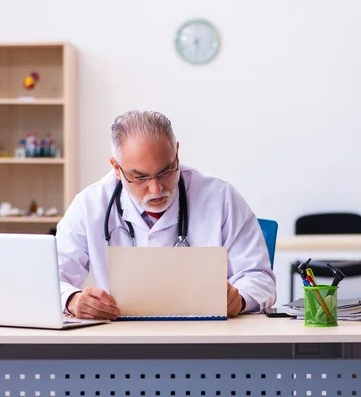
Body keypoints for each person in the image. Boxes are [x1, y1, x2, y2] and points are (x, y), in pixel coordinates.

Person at [56, 110, 276, 320]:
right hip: (120, 341)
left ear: (177, 154)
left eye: (165, 171)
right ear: (116, 167)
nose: (156, 189)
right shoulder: (89, 205)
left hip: (207, 338)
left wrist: (240, 299)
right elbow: (49, 279)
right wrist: (73, 300)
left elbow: (259, 277)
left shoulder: (221, 197)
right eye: (140, 177)